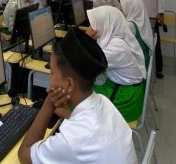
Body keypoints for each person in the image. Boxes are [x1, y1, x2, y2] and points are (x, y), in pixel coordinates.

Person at [18, 28, 137, 164]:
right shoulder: (103, 101)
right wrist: (66, 113)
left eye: (52, 72)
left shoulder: (72, 140)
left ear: (69, 84)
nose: (50, 78)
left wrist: (49, 104)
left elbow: (24, 156)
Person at [86, 6, 145, 121]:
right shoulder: (117, 38)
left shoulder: (116, 48)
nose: (91, 28)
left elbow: (88, 62)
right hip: (125, 89)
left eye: (93, 24)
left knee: (78, 95)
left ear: (105, 24)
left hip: (126, 99)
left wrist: (87, 39)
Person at [126, 0, 165, 78]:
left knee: (154, 44)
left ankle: (157, 70)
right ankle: (140, 68)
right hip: (135, 18)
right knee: (137, 43)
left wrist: (161, 13)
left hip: (151, 17)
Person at [120, 0, 154, 70]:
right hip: (143, 59)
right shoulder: (141, 20)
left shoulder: (129, 25)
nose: (120, 10)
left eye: (122, 7)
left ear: (130, 8)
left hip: (138, 65)